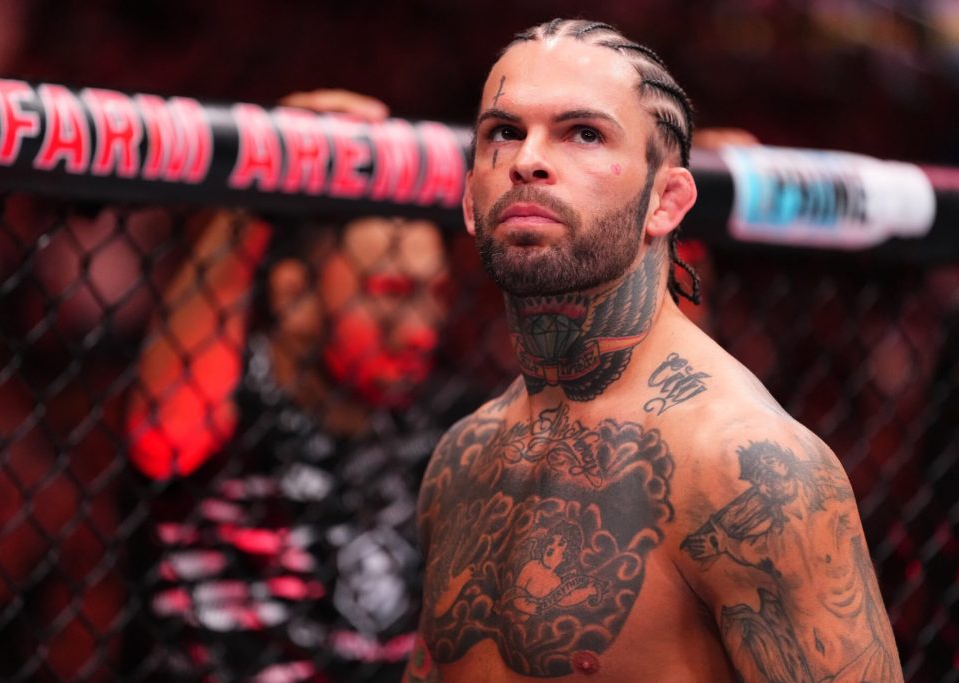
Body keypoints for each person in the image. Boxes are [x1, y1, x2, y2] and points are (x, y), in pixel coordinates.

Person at [404, 18, 903, 682]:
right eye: (504, 132)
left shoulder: (748, 468)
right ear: (471, 199)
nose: (527, 159)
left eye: (584, 133)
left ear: (665, 202)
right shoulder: (460, 460)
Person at [124, 91, 480, 682]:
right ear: (294, 297)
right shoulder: (232, 407)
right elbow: (162, 430)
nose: (422, 327)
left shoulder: (447, 430)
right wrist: (266, 166)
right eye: (390, 293)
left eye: (434, 295)